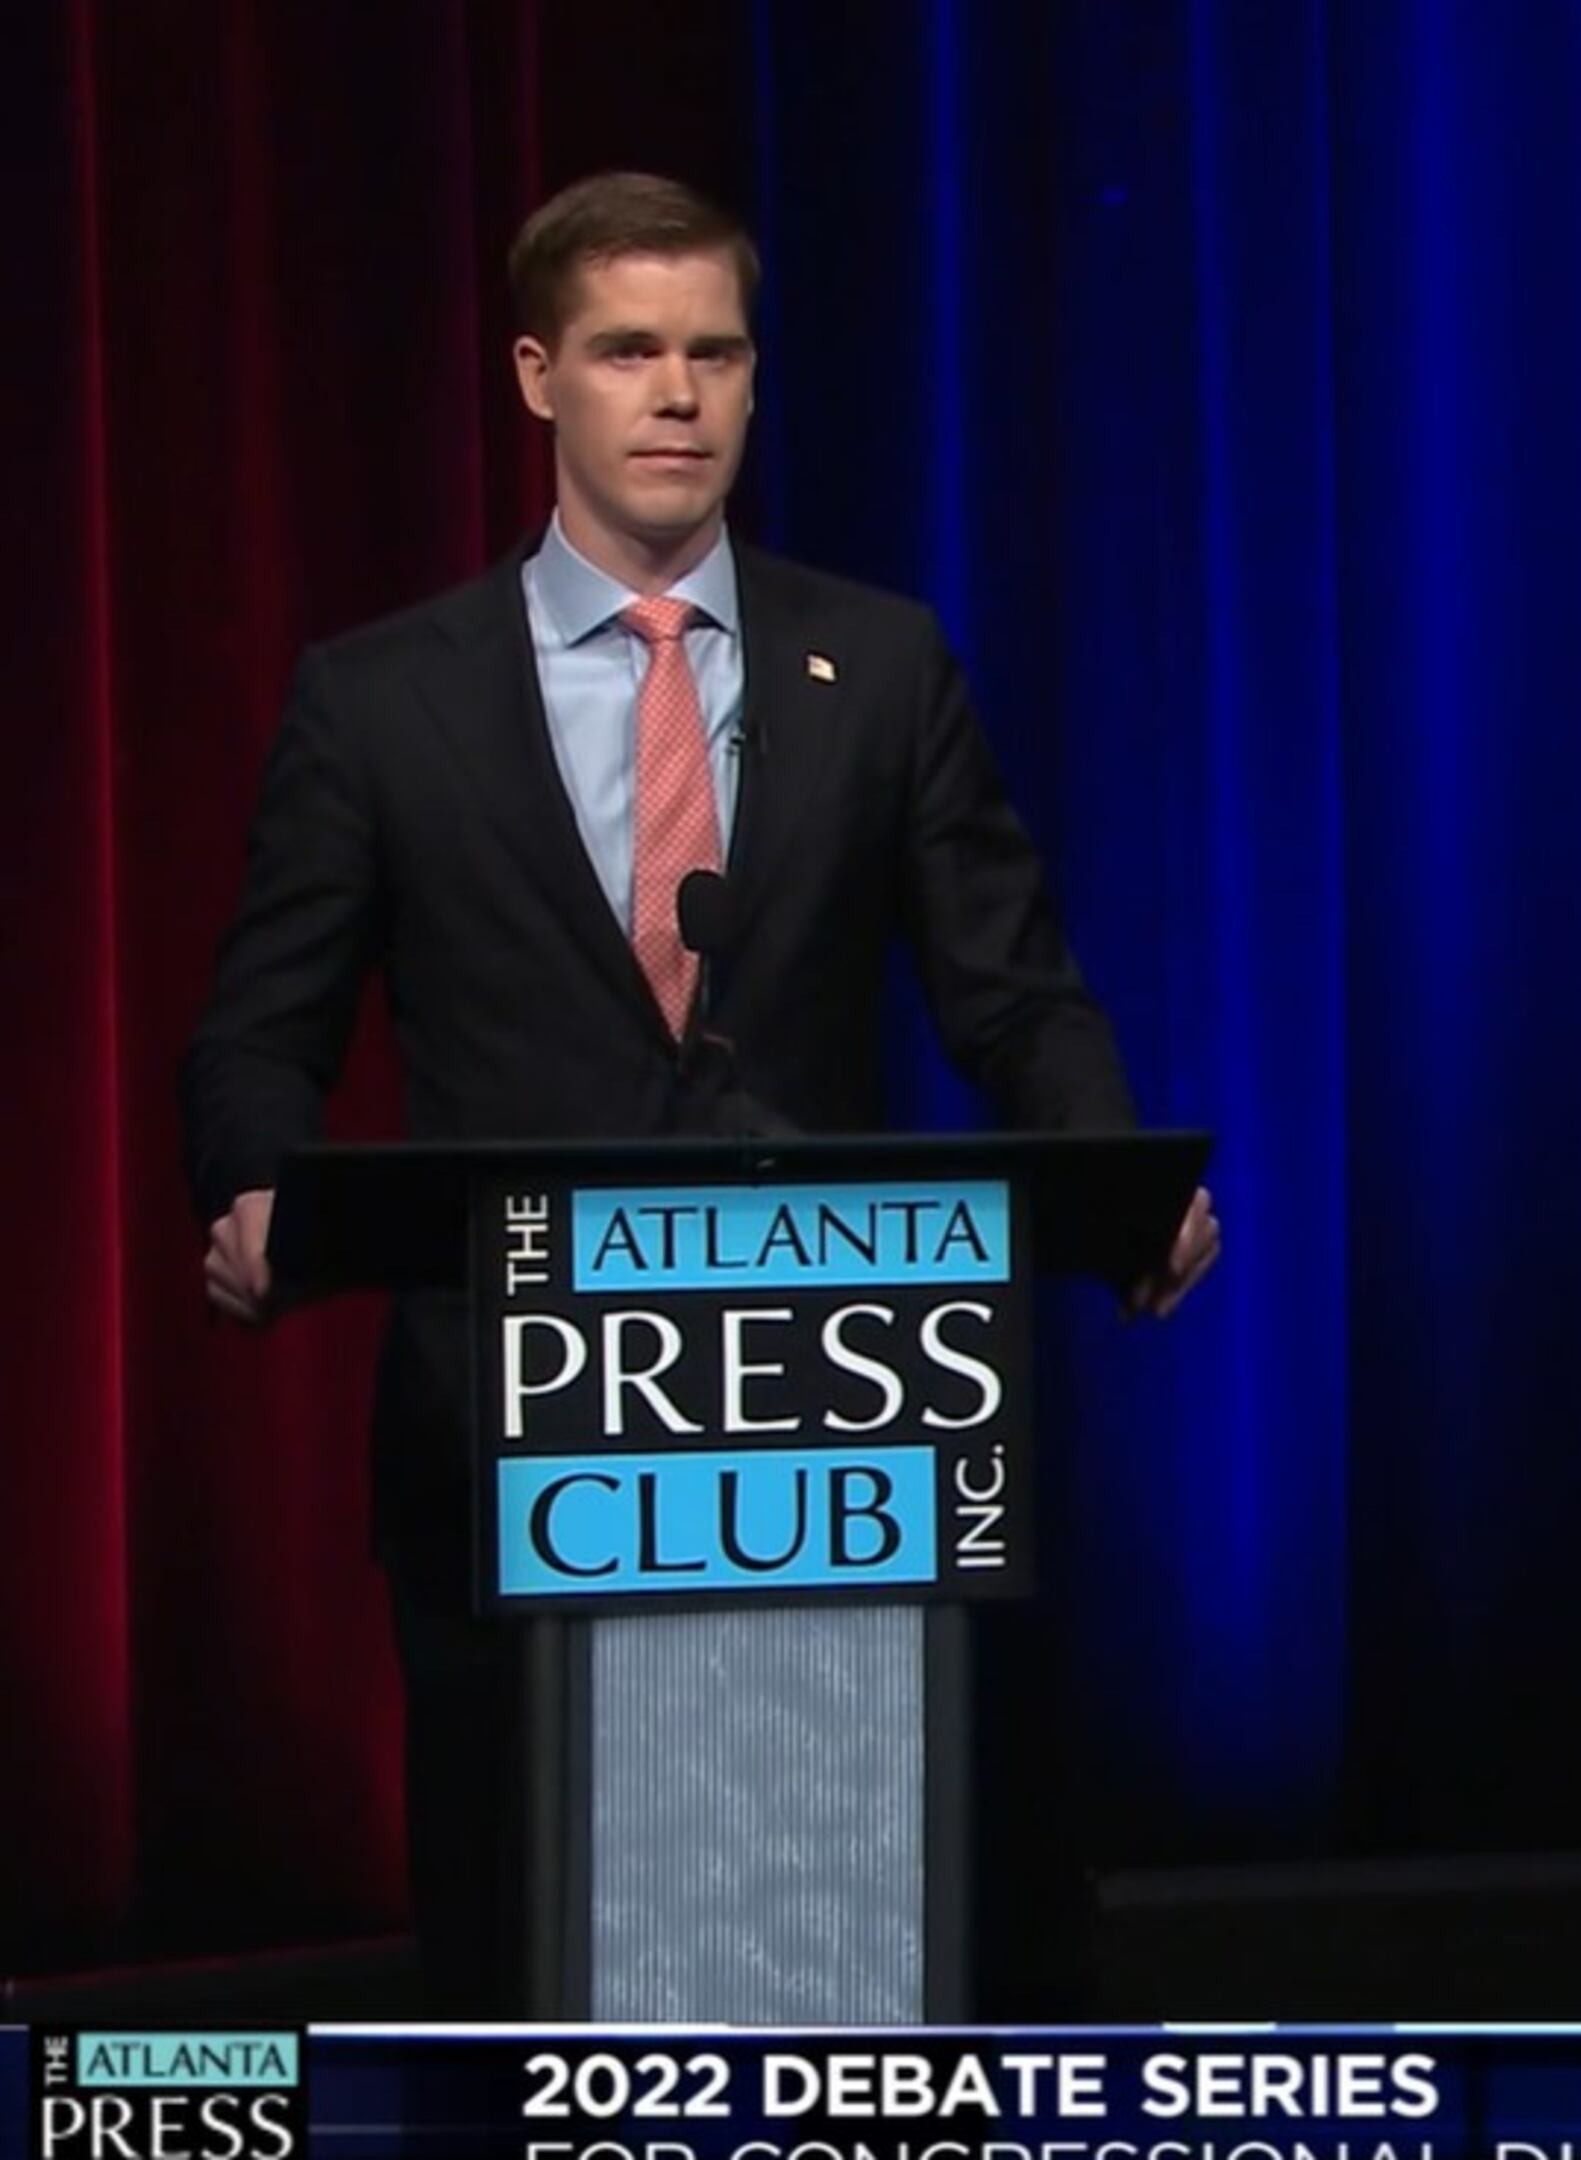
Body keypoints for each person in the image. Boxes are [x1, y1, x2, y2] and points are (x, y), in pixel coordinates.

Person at [177, 171, 1221, 2016]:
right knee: (543, 1968)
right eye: (628, 351)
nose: (678, 393)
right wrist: (251, 1188)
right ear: (536, 379)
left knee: (839, 1955)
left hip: (834, 1417)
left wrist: (1114, 1182)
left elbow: (1013, 987)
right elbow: (260, 1030)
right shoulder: (380, 702)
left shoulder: (877, 664)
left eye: (714, 352)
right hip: (517, 1431)